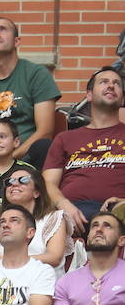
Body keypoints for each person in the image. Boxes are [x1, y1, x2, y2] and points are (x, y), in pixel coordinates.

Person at [0, 17, 62, 182]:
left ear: (17, 41)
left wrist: (10, 159)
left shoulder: (37, 75)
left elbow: (45, 131)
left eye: (3, 29)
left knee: (44, 146)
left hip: (25, 156)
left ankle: (43, 205)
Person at [47, 67, 125, 222]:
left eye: (117, 83)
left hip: (117, 213)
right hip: (71, 212)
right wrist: (63, 204)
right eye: (104, 82)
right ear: (89, 95)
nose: (111, 85)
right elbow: (48, 183)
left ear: (122, 99)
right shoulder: (65, 138)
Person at [50, 213, 125, 305]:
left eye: (107, 226)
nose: (99, 229)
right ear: (88, 237)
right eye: (94, 226)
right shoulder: (67, 280)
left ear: (122, 240)